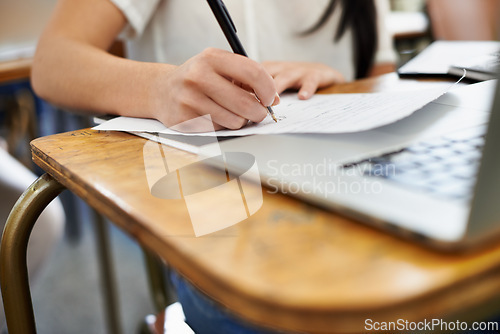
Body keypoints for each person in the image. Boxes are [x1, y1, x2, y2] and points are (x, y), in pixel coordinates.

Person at [31, 0, 396, 332]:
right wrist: (160, 88)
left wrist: (341, 84)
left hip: (354, 202)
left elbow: (383, 78)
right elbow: (53, 62)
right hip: (223, 227)